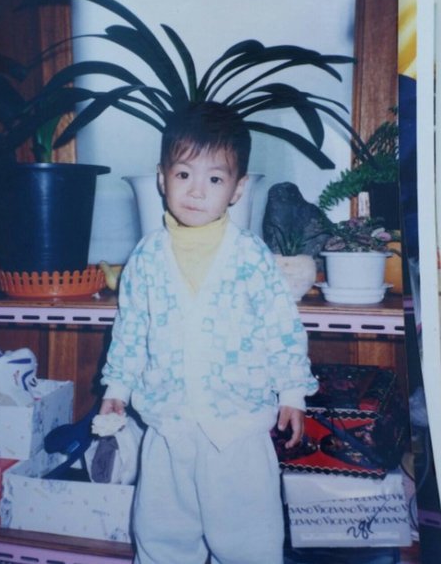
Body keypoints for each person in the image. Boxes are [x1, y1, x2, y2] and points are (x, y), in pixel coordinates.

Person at [99, 101, 318, 564]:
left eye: (215, 179)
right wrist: (117, 389)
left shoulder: (251, 257)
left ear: (238, 189)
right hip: (168, 429)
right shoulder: (146, 258)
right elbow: (131, 328)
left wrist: (291, 391)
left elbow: (281, 327)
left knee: (249, 543)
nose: (197, 190)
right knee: (161, 538)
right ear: (162, 179)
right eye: (184, 174)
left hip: (237, 431)